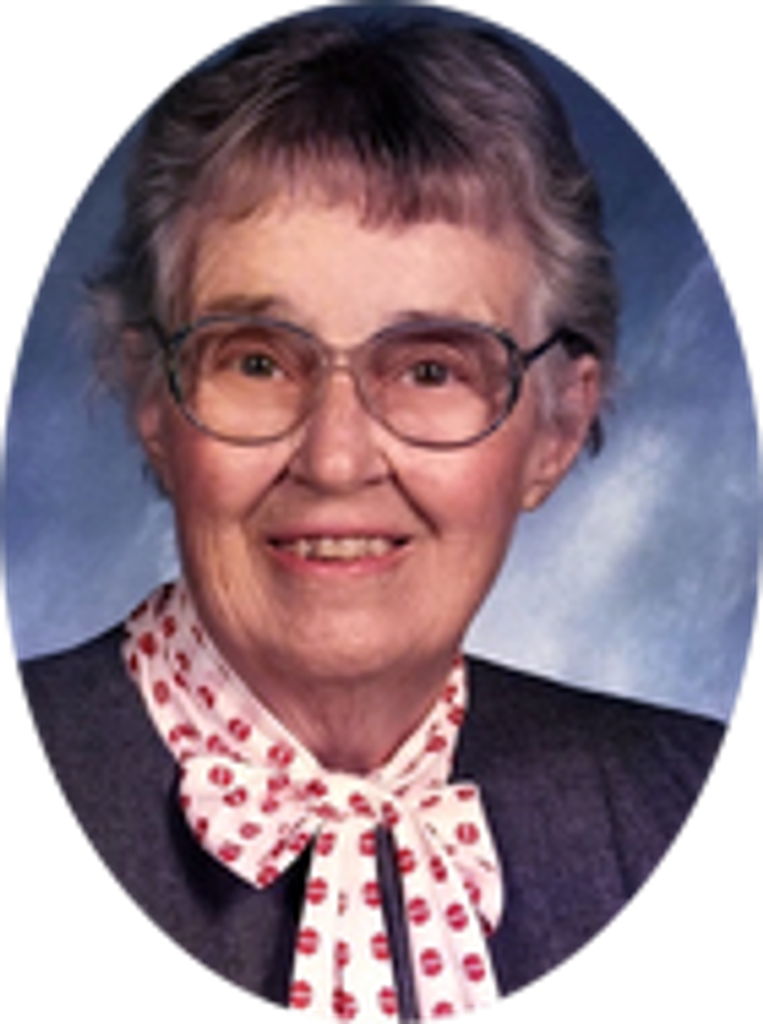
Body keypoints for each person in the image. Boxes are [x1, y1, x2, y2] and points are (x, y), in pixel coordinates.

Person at [16, 17, 732, 1022]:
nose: (336, 459)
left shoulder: (679, 797)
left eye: (431, 368)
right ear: (153, 400)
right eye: (257, 360)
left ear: (556, 429)